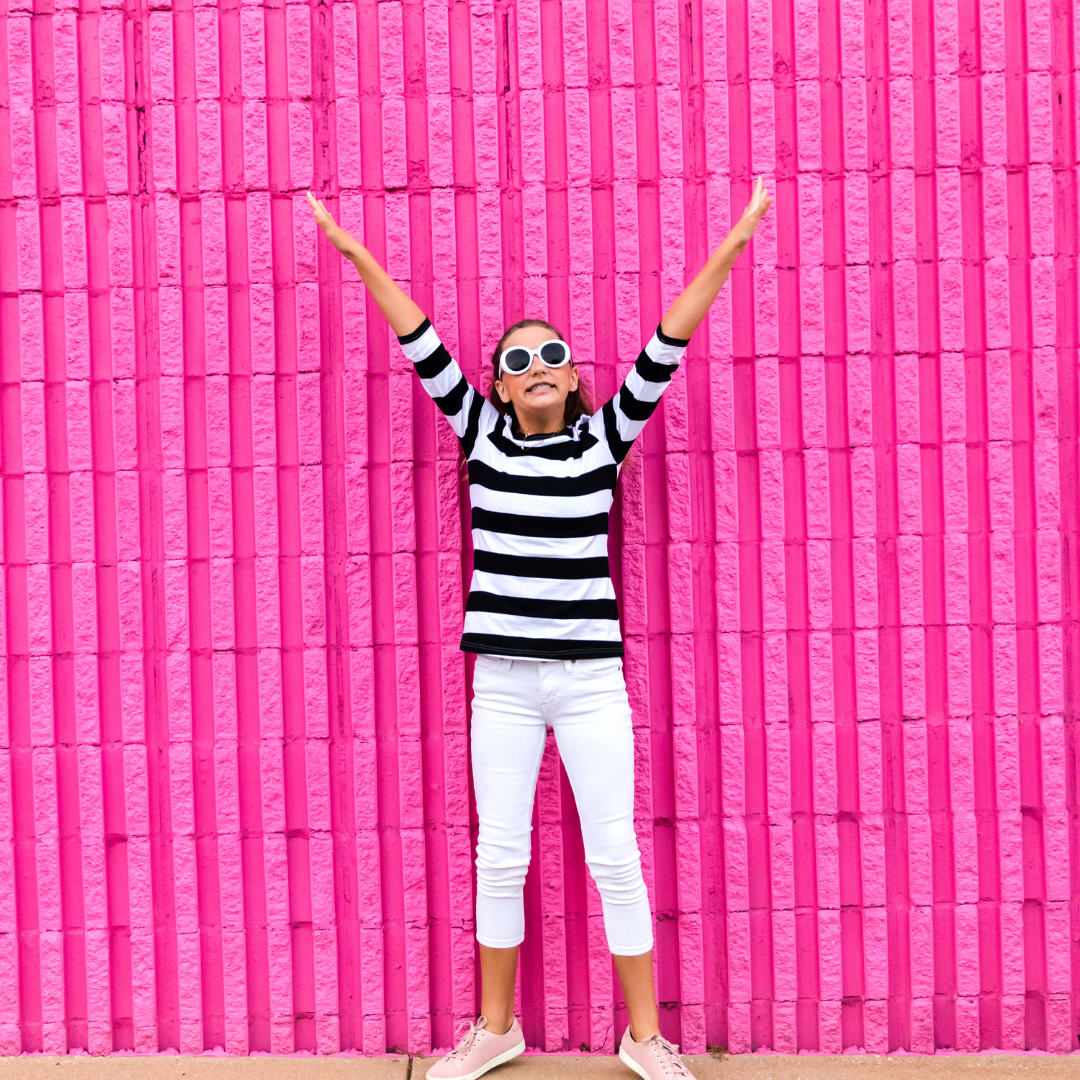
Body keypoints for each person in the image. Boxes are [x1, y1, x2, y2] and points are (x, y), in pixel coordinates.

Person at [307, 177, 771, 1080]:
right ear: (498, 387)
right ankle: (497, 1030)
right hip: (505, 686)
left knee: (615, 855)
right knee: (501, 856)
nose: (537, 366)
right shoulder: (481, 436)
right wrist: (356, 253)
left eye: (551, 353)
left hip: (590, 681)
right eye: (517, 361)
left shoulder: (604, 440)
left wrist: (737, 238)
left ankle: (645, 1039)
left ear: (573, 374)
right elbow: (415, 337)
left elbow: (675, 334)